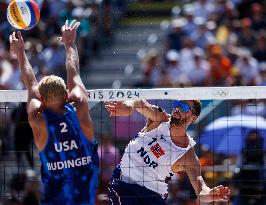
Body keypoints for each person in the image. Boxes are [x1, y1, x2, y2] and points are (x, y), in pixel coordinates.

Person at [9, 20, 99, 204]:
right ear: (67, 95)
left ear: (41, 100)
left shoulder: (37, 119)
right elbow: (73, 72)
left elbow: (31, 83)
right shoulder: (80, 108)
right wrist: (69, 43)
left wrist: (19, 53)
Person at [105, 100, 230, 204]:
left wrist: (210, 194)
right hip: (125, 183)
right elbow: (139, 102)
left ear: (194, 117)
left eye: (184, 107)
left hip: (153, 195)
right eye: (177, 104)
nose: (177, 109)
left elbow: (201, 190)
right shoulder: (160, 119)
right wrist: (129, 107)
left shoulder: (188, 156)